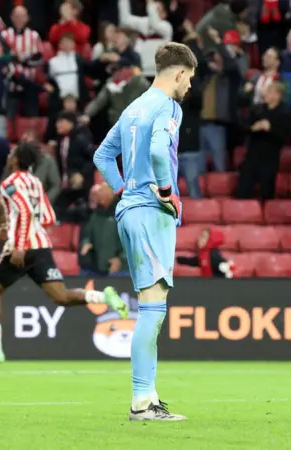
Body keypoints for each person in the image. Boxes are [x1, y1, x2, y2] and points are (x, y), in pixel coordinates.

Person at [93, 42, 197, 421]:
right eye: (190, 80)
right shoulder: (169, 106)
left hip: (129, 210)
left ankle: (148, 396)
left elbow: (102, 156)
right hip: (151, 212)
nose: (189, 89)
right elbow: (157, 152)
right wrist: (166, 193)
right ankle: (142, 402)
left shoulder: (132, 107)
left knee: (150, 306)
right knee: (153, 309)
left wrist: (123, 189)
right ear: (180, 73)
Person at [0, 142, 128, 365]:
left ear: (16, 160)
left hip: (22, 247)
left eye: (12, 154)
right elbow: (47, 216)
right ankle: (104, 297)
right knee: (61, 296)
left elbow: (24, 211)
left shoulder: (10, 183)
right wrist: (15, 226)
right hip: (41, 245)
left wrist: (20, 243)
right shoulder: (35, 182)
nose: (9, 156)